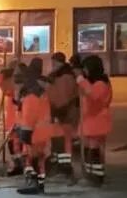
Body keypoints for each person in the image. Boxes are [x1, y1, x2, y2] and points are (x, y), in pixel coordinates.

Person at [16, 57, 53, 194]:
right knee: (39, 159)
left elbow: (29, 118)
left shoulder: (31, 97)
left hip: (34, 133)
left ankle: (35, 184)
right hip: (42, 132)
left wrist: (24, 133)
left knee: (34, 159)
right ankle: (39, 184)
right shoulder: (41, 93)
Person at [76, 55, 113, 186]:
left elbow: (94, 95)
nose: (85, 71)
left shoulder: (101, 83)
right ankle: (89, 174)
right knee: (88, 149)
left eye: (86, 68)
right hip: (90, 121)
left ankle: (96, 177)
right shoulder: (94, 81)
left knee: (94, 150)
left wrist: (82, 81)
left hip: (97, 121)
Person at [46, 52, 79, 176]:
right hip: (57, 111)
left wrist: (59, 108)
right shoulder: (56, 75)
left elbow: (67, 96)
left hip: (65, 112)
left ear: (59, 62)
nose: (52, 65)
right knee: (58, 140)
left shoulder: (66, 76)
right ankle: (60, 165)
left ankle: (65, 167)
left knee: (64, 139)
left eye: (54, 62)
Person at [0, 60, 24, 176]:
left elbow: (6, 90)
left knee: (16, 144)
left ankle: (21, 165)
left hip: (17, 118)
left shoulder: (16, 82)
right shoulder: (16, 81)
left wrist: (2, 76)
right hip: (15, 117)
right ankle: (20, 164)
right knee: (14, 144)